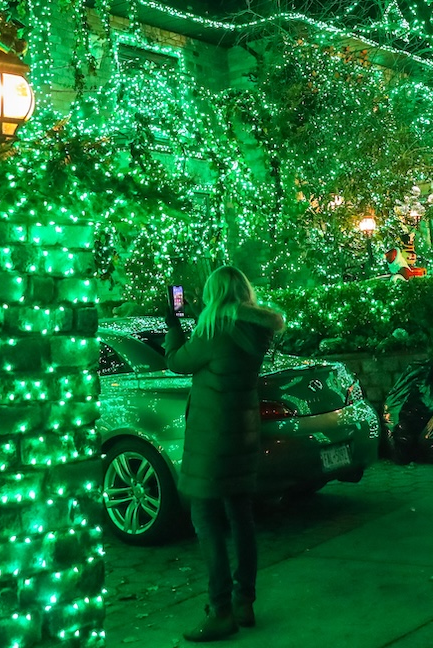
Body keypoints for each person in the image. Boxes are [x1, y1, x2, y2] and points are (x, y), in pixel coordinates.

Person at [164, 266, 285, 642]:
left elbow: (177, 362)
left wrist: (173, 325)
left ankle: (219, 611)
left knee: (206, 520)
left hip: (212, 442)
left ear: (216, 293)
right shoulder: (257, 330)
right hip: (243, 437)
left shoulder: (215, 330)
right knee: (241, 518)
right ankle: (243, 601)